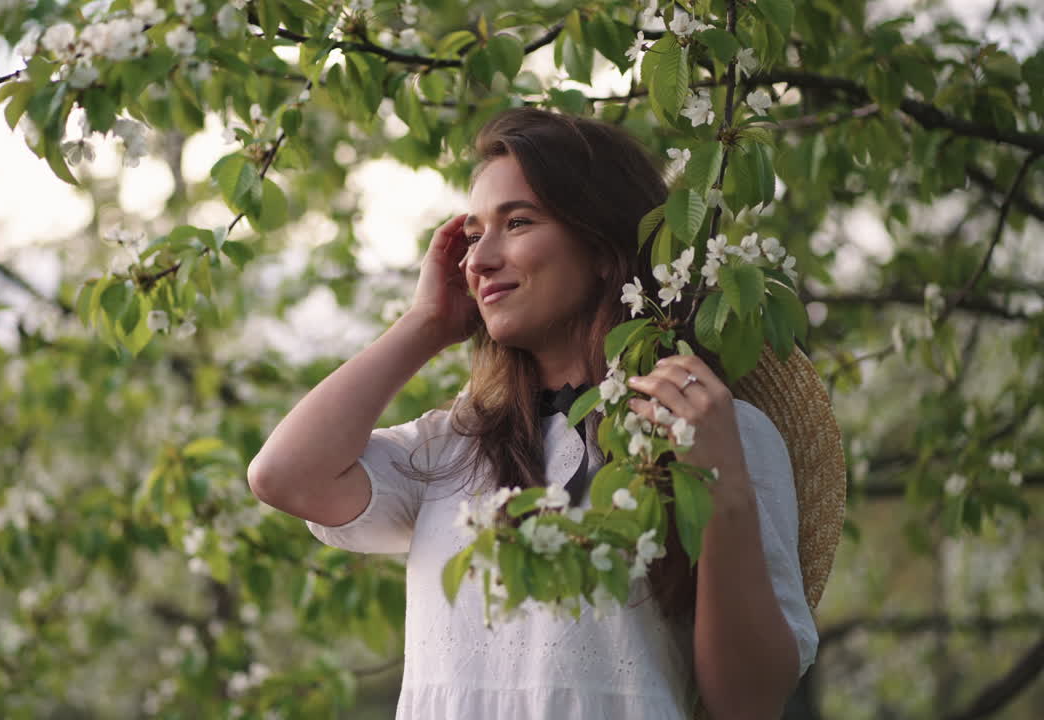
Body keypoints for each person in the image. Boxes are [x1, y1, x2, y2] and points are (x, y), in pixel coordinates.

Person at [247, 107, 820, 719]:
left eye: (516, 223)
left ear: (604, 248)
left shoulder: (711, 429)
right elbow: (283, 477)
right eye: (472, 236)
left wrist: (723, 489)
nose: (479, 259)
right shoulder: (455, 444)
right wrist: (425, 325)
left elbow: (750, 702)